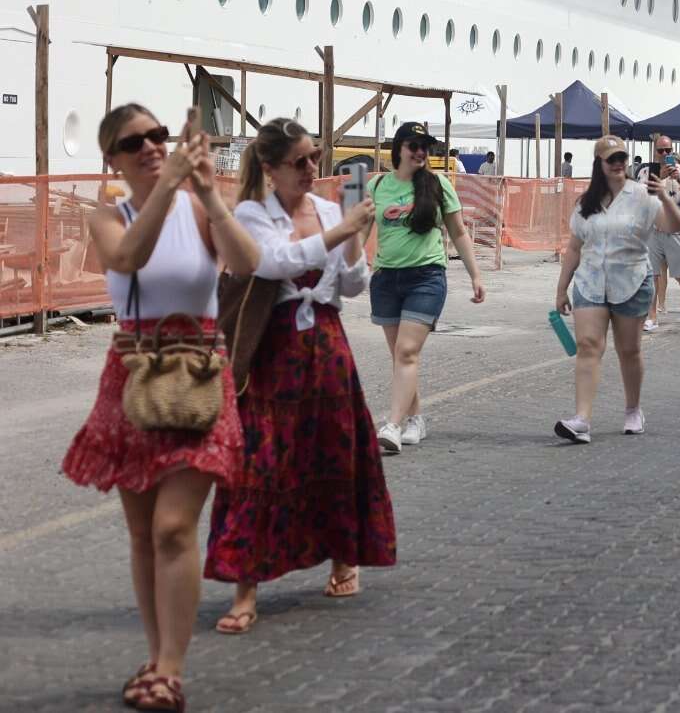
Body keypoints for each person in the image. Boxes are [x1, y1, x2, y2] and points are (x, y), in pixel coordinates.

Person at [63, 104, 260, 712]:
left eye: (157, 135)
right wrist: (168, 183)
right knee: (144, 533)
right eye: (134, 142)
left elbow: (248, 263)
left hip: (199, 372)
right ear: (112, 159)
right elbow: (128, 259)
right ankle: (155, 655)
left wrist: (204, 190)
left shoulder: (200, 207)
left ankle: (170, 668)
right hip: (136, 372)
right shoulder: (106, 216)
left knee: (174, 526)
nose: (150, 146)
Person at [207, 119, 395, 636]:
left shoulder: (333, 209)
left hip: (327, 346)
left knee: (336, 452)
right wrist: (340, 230)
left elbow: (353, 286)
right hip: (274, 349)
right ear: (270, 168)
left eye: (316, 157)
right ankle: (246, 588)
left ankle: (344, 560)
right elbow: (272, 263)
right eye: (301, 161)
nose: (313, 169)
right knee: (260, 463)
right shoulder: (252, 213)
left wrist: (356, 239)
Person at [554, 136, 680, 443]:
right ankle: (582, 419)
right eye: (611, 159)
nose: (618, 164)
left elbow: (674, 226)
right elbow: (574, 247)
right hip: (590, 283)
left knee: (629, 350)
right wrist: (561, 289)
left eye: (622, 158)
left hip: (631, 282)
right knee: (588, 345)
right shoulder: (586, 202)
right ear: (599, 164)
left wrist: (664, 196)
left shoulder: (642, 194)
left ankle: (632, 409)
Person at [368, 121, 486, 455]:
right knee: (402, 356)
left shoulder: (439, 185)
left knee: (406, 351)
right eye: (414, 146)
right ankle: (416, 417)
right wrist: (344, 269)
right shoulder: (377, 187)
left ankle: (392, 425)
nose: (421, 152)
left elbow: (459, 232)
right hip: (386, 279)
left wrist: (476, 275)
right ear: (399, 148)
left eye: (425, 147)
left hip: (426, 277)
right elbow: (360, 227)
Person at [639, 136, 680, 331]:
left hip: (677, 230)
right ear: (654, 151)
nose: (665, 154)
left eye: (668, 150)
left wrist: (679, 179)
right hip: (653, 231)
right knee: (651, 275)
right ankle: (652, 315)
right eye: (661, 150)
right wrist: (661, 177)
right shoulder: (646, 172)